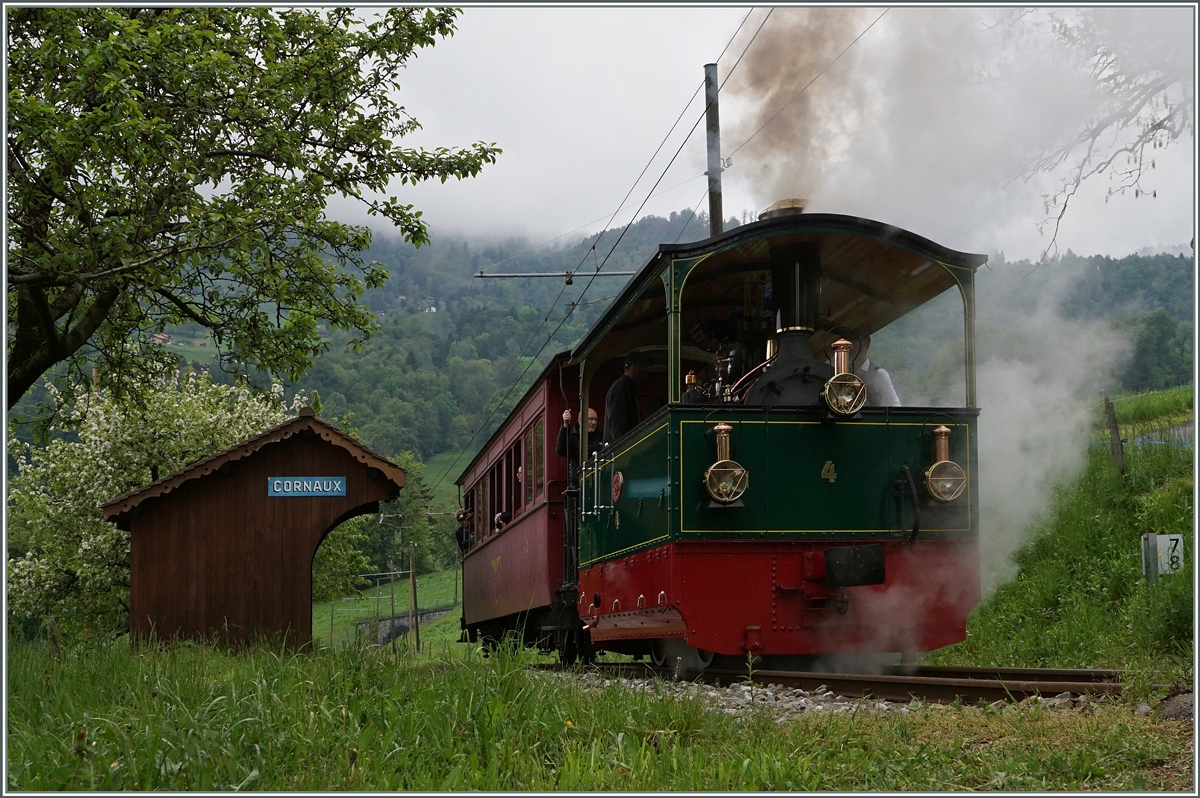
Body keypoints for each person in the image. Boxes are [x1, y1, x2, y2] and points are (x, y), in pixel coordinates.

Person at [604, 351, 648, 444]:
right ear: (635, 366)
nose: (646, 370)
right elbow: (618, 426)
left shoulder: (627, 388)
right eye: (644, 366)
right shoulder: (620, 388)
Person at [851, 334, 901, 407]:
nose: (850, 350)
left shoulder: (879, 374)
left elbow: (894, 403)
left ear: (863, 347)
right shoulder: (844, 372)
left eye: (853, 347)